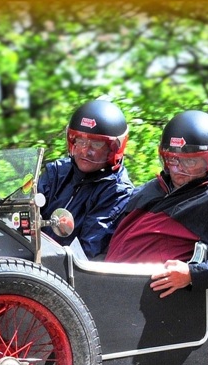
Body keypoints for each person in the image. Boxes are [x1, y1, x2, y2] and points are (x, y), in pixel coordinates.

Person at [104, 109, 208, 298]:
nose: (178, 169)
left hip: (152, 304)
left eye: (190, 162)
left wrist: (192, 274)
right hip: (108, 288)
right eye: (172, 159)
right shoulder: (152, 188)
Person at [37, 100, 135, 259]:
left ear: (114, 148)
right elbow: (24, 215)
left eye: (96, 144)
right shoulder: (57, 171)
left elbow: (85, 251)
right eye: (80, 141)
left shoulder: (117, 191)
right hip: (30, 261)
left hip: (66, 275)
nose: (85, 151)